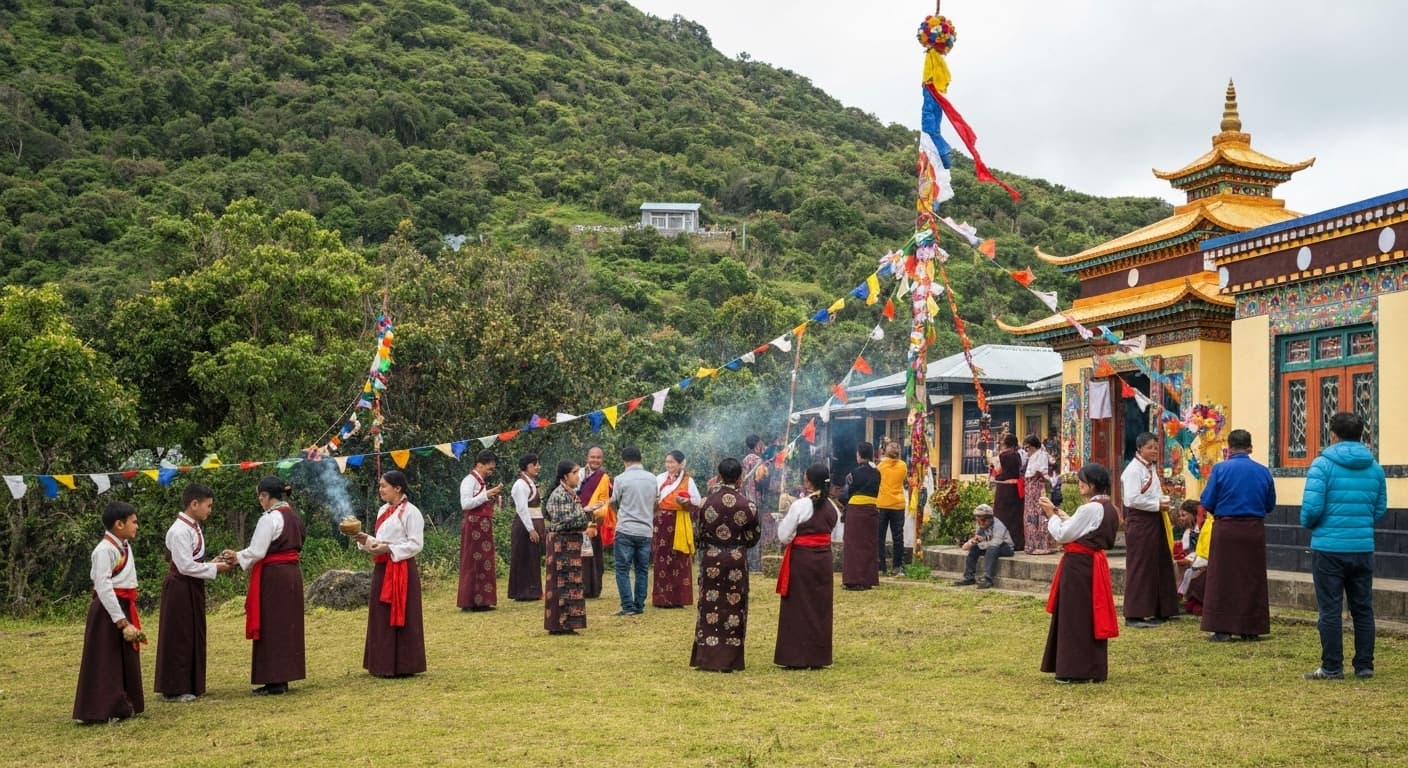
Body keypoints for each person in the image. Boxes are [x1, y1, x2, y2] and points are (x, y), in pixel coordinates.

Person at [1300, 411, 1387, 680]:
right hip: (1362, 546)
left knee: (1330, 609)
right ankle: (1364, 665)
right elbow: (1380, 509)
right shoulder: (1375, 468)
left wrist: (1312, 525)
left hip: (1329, 548)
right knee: (1363, 607)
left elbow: (1311, 509)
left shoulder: (1322, 465)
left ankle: (1331, 667)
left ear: (1333, 435)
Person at [1039, 463, 1120, 684]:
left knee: (1075, 617)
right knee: (1088, 615)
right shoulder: (1109, 507)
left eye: (1083, 481)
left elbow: (1064, 535)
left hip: (1079, 566)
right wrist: (1063, 516)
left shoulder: (1090, 509)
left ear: (1091, 485)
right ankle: (1091, 666)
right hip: (1090, 565)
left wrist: (1050, 516)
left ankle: (1075, 669)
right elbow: (1083, 529)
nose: (1080, 485)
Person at [155, 484, 234, 703]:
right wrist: (215, 568)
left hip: (192, 584)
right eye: (208, 506)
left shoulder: (193, 526)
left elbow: (194, 561)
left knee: (192, 631)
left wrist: (212, 563)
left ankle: (191, 682)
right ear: (194, 504)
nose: (210, 510)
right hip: (180, 585)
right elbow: (185, 566)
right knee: (179, 635)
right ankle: (174, 687)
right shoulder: (179, 530)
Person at [1199, 429, 1276, 642]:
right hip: (1253, 530)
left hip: (1226, 529)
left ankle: (1222, 628)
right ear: (1250, 448)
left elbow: (1207, 500)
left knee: (1223, 578)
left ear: (1229, 449)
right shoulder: (1263, 472)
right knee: (1251, 578)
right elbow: (1270, 504)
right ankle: (1250, 628)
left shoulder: (1220, 469)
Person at [73, 501, 146, 723]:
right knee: (106, 658)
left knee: (124, 658)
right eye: (133, 522)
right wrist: (120, 620)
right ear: (119, 524)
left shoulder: (123, 545)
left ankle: (124, 704)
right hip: (108, 609)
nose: (137, 526)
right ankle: (103, 709)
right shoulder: (103, 550)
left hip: (123, 604)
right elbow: (103, 586)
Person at [235, 476, 306, 696]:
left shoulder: (269, 518)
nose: (260, 500)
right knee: (287, 626)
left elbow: (257, 551)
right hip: (292, 574)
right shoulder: (294, 517)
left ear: (266, 496)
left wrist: (236, 556)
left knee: (272, 625)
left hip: (274, 576)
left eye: (261, 496)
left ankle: (275, 680)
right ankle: (283, 676)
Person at [691, 458, 762, 672]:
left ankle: (708, 658)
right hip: (736, 559)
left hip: (711, 557)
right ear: (740, 477)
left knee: (709, 605)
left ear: (719, 476)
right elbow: (753, 537)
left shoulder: (705, 503)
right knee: (734, 606)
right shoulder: (748, 505)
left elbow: (697, 534)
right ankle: (730, 660)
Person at [355, 470, 426, 677]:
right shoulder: (382, 511)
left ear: (398, 488)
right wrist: (365, 540)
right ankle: (382, 663)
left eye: (384, 486)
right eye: (379, 486)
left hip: (402, 569)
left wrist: (389, 549)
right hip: (383, 568)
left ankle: (404, 665)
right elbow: (379, 540)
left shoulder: (411, 512)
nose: (380, 490)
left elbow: (415, 544)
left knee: (404, 614)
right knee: (381, 614)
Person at [774, 462, 840, 670]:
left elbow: (784, 535)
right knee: (819, 605)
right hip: (823, 560)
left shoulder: (800, 505)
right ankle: (817, 655)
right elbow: (836, 535)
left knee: (798, 605)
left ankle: (796, 655)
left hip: (802, 559)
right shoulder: (833, 508)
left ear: (808, 481)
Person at [1120, 432, 1179, 627]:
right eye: (1150, 447)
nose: (1154, 451)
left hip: (1155, 520)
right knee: (1141, 565)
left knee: (1160, 562)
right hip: (1141, 521)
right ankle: (1134, 614)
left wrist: (1163, 504)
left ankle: (1162, 608)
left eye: (1156, 447)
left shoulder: (1150, 469)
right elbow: (1131, 499)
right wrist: (1156, 504)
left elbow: (1156, 493)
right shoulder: (1133, 471)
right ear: (1140, 449)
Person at [544, 461, 601, 635]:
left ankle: (569, 623)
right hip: (562, 543)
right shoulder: (558, 495)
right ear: (565, 476)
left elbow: (573, 518)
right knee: (561, 584)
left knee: (573, 584)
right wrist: (587, 512)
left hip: (571, 542)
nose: (578, 476)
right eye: (575, 473)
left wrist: (585, 511)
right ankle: (559, 624)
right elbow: (563, 520)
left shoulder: (571, 493)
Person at [611, 446, 655, 616]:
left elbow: (614, 501)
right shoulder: (652, 478)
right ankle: (639, 605)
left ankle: (628, 606)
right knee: (642, 569)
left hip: (626, 528)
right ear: (640, 458)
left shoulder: (620, 479)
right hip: (645, 530)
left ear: (625, 461)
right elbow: (655, 501)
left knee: (622, 569)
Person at [653, 450, 701, 608]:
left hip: (678, 522)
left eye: (672, 462)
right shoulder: (659, 478)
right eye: (667, 462)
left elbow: (697, 501)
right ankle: (661, 598)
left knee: (679, 559)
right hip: (661, 523)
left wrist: (685, 501)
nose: (669, 465)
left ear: (680, 464)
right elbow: (652, 498)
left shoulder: (688, 480)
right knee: (661, 558)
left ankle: (678, 598)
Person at [458, 450, 503, 611]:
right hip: (473, 526)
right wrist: (487, 494)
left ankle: (483, 601)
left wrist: (493, 496)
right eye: (489, 469)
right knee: (471, 563)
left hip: (483, 526)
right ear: (479, 465)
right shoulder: (469, 481)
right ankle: (469, 602)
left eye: (492, 469)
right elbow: (466, 504)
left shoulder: (480, 482)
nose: (490, 472)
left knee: (485, 563)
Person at [840, 442, 881, 590]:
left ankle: (853, 580)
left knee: (853, 545)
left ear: (859, 455)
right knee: (869, 544)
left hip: (856, 510)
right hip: (871, 509)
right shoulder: (877, 473)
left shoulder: (854, 474)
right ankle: (868, 579)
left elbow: (845, 494)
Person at [577, 446, 613, 599]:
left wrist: (597, 518)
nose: (595, 460)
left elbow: (606, 499)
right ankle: (580, 587)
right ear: (587, 457)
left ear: (602, 459)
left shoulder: (604, 477)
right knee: (579, 555)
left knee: (595, 555)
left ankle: (594, 589)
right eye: (593, 457)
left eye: (598, 457)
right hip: (578, 518)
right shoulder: (577, 473)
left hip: (595, 520)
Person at [508, 453, 544, 601]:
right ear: (526, 467)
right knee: (524, 558)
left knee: (532, 558)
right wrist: (531, 529)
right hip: (524, 526)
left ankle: (533, 591)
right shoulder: (520, 485)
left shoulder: (530, 483)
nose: (538, 467)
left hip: (533, 523)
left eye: (538, 464)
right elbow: (522, 509)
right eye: (534, 465)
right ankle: (523, 592)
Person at [952, 504, 1015, 589]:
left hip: (1005, 547)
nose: (981, 523)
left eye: (983, 520)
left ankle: (988, 579)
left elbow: (995, 543)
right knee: (974, 548)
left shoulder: (998, 526)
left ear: (990, 518)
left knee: (991, 549)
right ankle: (969, 577)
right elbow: (975, 541)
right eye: (978, 520)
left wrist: (983, 542)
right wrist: (972, 542)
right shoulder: (980, 525)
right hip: (989, 544)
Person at [876, 440, 909, 576]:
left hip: (882, 503)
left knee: (880, 537)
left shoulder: (880, 466)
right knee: (898, 537)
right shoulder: (903, 466)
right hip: (898, 504)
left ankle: (880, 566)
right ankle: (898, 566)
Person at [990, 434, 1025, 553]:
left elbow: (1004, 474)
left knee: (1001, 516)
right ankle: (1018, 542)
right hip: (1016, 487)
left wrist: (996, 477)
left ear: (1006, 444)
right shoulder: (1018, 455)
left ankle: (1003, 541)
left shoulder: (1004, 455)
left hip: (1005, 489)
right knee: (1016, 516)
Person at [740, 435, 769, 573]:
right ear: (757, 444)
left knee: (747, 530)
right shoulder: (759, 461)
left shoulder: (745, 459)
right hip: (756, 500)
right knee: (757, 531)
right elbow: (763, 479)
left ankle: (748, 562)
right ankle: (755, 564)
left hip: (746, 499)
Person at [1022, 435, 1055, 554]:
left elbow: (1040, 472)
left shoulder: (1042, 455)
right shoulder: (1032, 456)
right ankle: (1031, 544)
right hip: (1030, 487)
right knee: (1030, 514)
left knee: (1039, 514)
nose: (1027, 449)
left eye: (1028, 446)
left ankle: (1041, 544)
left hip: (1037, 486)